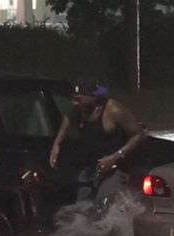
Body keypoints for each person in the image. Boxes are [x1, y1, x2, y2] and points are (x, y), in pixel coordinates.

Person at [49, 79, 147, 213]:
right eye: (73, 99)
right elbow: (68, 119)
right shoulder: (79, 109)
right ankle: (83, 232)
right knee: (83, 208)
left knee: (104, 206)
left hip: (115, 168)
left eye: (79, 99)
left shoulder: (113, 110)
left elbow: (139, 134)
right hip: (91, 167)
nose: (74, 103)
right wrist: (57, 144)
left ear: (93, 98)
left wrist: (114, 157)